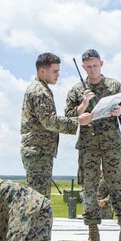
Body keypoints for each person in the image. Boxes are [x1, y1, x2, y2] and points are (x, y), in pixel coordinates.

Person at [65, 49, 121, 241]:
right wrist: (84, 103)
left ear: (101, 64)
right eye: (88, 66)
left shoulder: (115, 86)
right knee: (89, 189)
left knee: (120, 187)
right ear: (84, 67)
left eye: (95, 65)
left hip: (112, 145)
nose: (92, 69)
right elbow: (70, 116)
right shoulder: (77, 90)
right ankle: (93, 234)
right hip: (89, 146)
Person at [20, 52, 92, 198]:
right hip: (37, 153)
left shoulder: (41, 88)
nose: (58, 74)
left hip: (39, 152)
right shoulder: (39, 92)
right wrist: (78, 121)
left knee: (39, 200)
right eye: (55, 71)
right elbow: (50, 122)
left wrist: (83, 105)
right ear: (42, 71)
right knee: (39, 201)